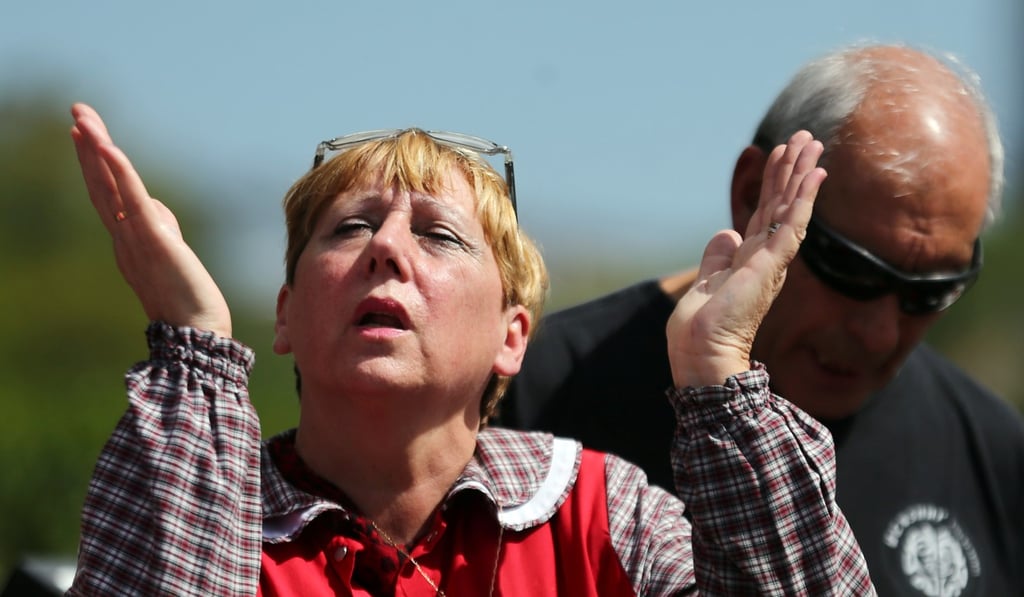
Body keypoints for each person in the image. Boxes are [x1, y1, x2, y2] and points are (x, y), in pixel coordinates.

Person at [64, 102, 876, 596]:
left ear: (511, 336)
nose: (385, 249)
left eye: (438, 235)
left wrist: (720, 371)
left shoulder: (602, 512)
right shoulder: (209, 513)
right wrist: (195, 355)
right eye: (349, 227)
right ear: (284, 319)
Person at [498, 44, 1024, 595]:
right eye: (850, 270)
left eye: (932, 292)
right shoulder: (539, 397)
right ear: (755, 196)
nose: (881, 332)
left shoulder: (991, 450)